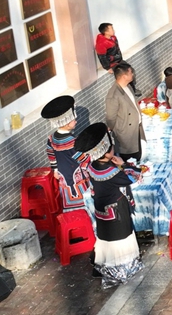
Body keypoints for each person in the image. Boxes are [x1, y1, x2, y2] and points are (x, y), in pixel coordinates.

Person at [74, 122, 145, 288]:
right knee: (121, 237)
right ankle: (121, 269)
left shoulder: (92, 167)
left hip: (101, 209)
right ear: (106, 152)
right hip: (117, 211)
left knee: (105, 238)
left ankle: (105, 266)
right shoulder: (111, 172)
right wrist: (123, 164)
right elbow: (134, 177)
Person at [42, 96, 90, 212]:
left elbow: (51, 154)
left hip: (63, 175)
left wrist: (55, 170)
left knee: (68, 197)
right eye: (74, 120)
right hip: (77, 178)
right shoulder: (72, 142)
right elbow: (83, 159)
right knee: (85, 205)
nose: (76, 121)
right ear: (67, 123)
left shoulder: (51, 138)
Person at [104, 62, 145, 162]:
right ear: (124, 76)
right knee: (130, 159)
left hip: (136, 128)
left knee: (139, 154)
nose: (133, 74)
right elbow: (111, 118)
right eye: (131, 73)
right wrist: (118, 130)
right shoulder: (114, 94)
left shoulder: (128, 87)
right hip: (126, 133)